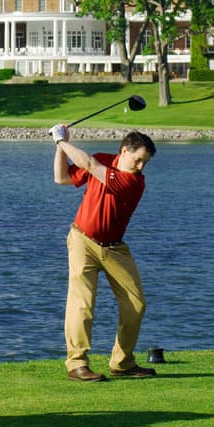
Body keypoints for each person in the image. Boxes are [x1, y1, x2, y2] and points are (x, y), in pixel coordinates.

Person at [51, 124, 157, 382]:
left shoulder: (133, 182)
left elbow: (87, 164)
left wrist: (61, 141)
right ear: (124, 151)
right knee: (82, 303)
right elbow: (62, 178)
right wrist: (59, 147)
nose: (141, 167)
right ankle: (77, 364)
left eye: (145, 163)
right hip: (82, 241)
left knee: (136, 303)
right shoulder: (102, 159)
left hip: (115, 248)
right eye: (138, 160)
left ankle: (122, 362)